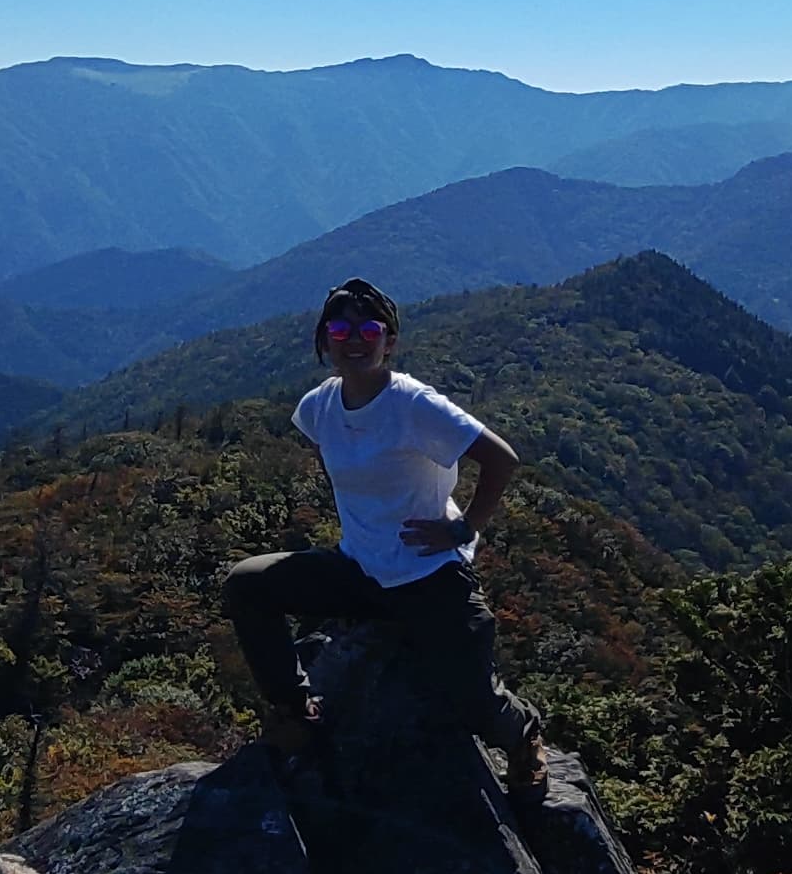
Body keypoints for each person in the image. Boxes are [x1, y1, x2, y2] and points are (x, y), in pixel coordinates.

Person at [221, 277, 548, 801]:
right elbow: (338, 463)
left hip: (428, 573)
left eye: (369, 328)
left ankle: (523, 734)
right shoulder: (318, 408)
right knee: (247, 584)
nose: (355, 338)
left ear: (389, 341)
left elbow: (500, 459)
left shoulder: (413, 404)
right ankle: (295, 710)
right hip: (359, 567)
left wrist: (464, 528)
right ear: (324, 339)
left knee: (471, 699)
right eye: (341, 328)